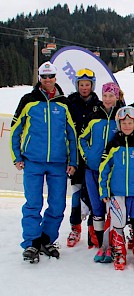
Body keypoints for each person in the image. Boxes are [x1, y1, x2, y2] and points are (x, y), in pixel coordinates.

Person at [10, 61, 77, 263]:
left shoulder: (63, 103)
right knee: (33, 203)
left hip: (58, 162)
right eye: (44, 77)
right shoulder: (28, 100)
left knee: (57, 205)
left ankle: (47, 239)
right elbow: (15, 130)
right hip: (33, 161)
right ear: (39, 78)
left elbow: (72, 135)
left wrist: (72, 160)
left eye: (51, 76)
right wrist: (17, 156)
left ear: (56, 78)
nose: (47, 80)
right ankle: (31, 242)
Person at [99, 106, 134, 270]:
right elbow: (104, 169)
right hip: (117, 194)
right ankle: (119, 252)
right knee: (118, 224)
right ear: (119, 124)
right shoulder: (113, 145)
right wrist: (104, 190)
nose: (127, 126)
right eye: (124, 123)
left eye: (130, 123)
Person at [78, 82, 120, 262]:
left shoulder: (120, 116)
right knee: (96, 206)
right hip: (93, 168)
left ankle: (110, 242)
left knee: (111, 207)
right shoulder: (93, 115)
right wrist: (88, 156)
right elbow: (82, 138)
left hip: (112, 171)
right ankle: (98, 242)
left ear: (117, 97)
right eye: (105, 96)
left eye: (112, 96)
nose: (108, 99)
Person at [66, 68, 101, 249]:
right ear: (77, 85)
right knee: (77, 193)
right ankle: (75, 227)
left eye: (88, 84)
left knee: (93, 194)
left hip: (92, 157)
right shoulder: (70, 102)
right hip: (76, 155)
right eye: (81, 84)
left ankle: (92, 230)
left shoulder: (98, 103)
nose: (84, 88)